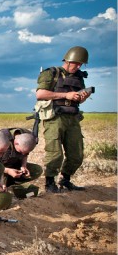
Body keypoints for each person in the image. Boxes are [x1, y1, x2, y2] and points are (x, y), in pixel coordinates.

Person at [36, 46, 91, 192]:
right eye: (76, 63)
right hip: (54, 117)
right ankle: (49, 183)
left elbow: (77, 100)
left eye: (81, 64)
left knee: (76, 154)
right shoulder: (51, 73)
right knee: (55, 153)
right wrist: (65, 95)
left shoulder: (79, 76)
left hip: (72, 118)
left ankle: (65, 180)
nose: (78, 66)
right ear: (67, 60)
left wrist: (82, 97)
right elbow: (40, 94)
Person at [0, 128, 43, 197]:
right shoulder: (2, 141)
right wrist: (8, 171)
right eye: (20, 152)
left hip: (12, 166)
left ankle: (12, 185)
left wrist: (23, 165)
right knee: (1, 195)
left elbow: (25, 154)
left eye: (25, 152)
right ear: (16, 143)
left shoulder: (28, 137)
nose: (23, 154)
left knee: (36, 170)